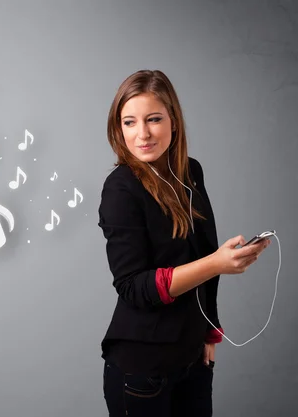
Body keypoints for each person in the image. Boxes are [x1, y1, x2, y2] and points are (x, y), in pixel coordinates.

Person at [98, 69, 271, 416]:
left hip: (192, 359)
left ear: (173, 122)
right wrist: (217, 263)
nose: (142, 134)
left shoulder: (190, 171)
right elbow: (133, 286)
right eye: (129, 122)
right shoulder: (120, 189)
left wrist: (210, 332)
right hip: (143, 369)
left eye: (153, 119)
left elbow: (203, 254)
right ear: (119, 129)